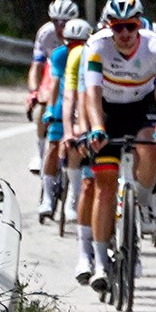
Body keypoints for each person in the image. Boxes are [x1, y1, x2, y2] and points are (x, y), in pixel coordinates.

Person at [79, 0, 156, 291]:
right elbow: (91, 94)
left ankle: (144, 199)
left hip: (141, 105)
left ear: (140, 25)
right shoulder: (96, 46)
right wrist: (96, 127)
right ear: (109, 26)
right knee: (105, 184)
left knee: (150, 145)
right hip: (108, 109)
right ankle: (99, 262)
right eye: (117, 27)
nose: (124, 34)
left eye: (130, 27)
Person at [37, 16, 91, 223]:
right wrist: (50, 110)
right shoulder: (59, 55)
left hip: (83, 103)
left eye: (79, 44)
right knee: (52, 146)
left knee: (79, 148)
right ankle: (47, 197)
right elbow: (54, 84)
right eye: (70, 43)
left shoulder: (92, 56)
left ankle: (72, 197)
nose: (73, 47)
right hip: (63, 102)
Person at [27, 0, 80, 175]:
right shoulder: (45, 33)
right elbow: (37, 65)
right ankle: (40, 153)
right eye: (56, 22)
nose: (61, 27)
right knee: (42, 107)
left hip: (76, 72)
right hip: (54, 69)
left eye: (65, 22)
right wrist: (34, 92)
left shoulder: (81, 32)